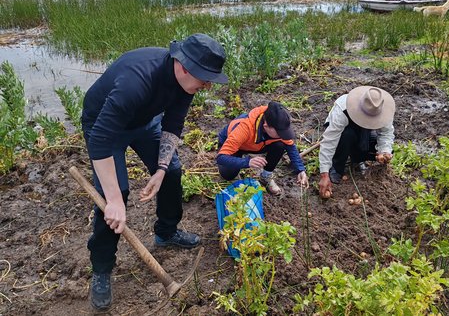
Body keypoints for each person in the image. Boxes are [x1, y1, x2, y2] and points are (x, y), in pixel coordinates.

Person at [81, 33, 227, 310]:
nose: (208, 85)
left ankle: (166, 231)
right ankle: (102, 268)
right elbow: (100, 140)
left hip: (143, 122)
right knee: (115, 194)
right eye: (205, 78)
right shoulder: (137, 81)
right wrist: (113, 200)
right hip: (103, 127)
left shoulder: (186, 85)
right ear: (185, 66)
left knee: (172, 170)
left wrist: (159, 169)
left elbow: (173, 125)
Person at [318, 86, 395, 199]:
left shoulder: (383, 110)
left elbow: (386, 134)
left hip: (366, 133)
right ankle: (337, 167)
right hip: (344, 133)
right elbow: (329, 141)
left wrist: (384, 151)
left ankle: (358, 159)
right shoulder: (343, 109)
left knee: (380, 147)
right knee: (347, 135)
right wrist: (324, 174)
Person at [216, 101, 309, 195]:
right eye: (280, 133)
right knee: (228, 174)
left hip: (256, 144)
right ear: (266, 126)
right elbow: (221, 158)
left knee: (280, 145)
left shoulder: (278, 122)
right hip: (234, 143)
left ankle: (266, 177)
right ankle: (236, 172)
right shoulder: (244, 128)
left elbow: (290, 147)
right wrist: (247, 162)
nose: (283, 135)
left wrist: (300, 170)